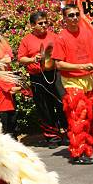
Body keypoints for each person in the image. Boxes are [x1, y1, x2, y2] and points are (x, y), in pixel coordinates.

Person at [52, 4, 93, 164]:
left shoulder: (86, 33)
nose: (74, 18)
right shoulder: (61, 38)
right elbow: (58, 64)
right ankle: (78, 153)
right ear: (64, 19)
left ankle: (89, 145)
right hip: (72, 80)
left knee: (91, 115)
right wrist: (80, 66)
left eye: (76, 14)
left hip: (88, 79)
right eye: (70, 15)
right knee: (78, 117)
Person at [18, 11, 67, 145]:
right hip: (38, 77)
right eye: (40, 23)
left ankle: (67, 132)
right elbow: (21, 58)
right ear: (32, 25)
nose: (44, 25)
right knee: (45, 106)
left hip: (55, 74)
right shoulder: (26, 40)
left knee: (62, 102)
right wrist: (33, 59)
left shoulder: (54, 37)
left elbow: (63, 53)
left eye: (46, 22)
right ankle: (52, 136)